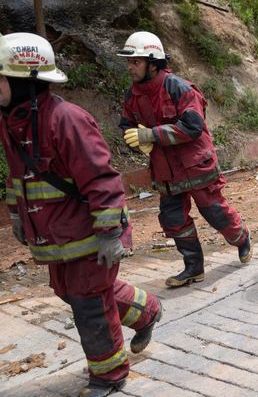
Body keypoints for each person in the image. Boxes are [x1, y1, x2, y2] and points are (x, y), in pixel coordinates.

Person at [0, 33, 162, 397]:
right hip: (56, 235)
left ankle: (109, 374)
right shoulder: (12, 122)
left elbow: (102, 178)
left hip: (89, 233)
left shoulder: (67, 120)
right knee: (70, 292)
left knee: (89, 302)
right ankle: (147, 311)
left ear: (25, 80)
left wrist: (109, 234)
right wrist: (17, 216)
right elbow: (17, 176)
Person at [117, 31, 252, 288]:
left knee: (216, 214)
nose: (130, 67)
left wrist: (150, 134)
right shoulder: (132, 95)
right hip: (166, 171)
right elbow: (126, 126)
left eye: (136, 62)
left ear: (153, 63)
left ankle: (241, 237)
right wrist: (136, 140)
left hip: (195, 165)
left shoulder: (180, 88)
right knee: (173, 220)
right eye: (129, 62)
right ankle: (193, 267)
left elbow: (192, 126)